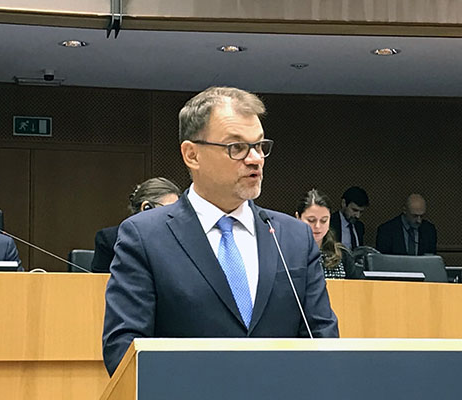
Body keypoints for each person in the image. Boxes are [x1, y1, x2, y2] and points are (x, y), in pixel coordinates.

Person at [101, 86, 339, 375]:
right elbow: (124, 349)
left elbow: (322, 337)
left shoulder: (293, 237)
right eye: (236, 147)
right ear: (192, 155)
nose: (255, 159)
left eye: (260, 145)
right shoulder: (145, 237)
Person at [91, 177, 181, 273]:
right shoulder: (109, 239)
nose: (174, 215)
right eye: (169, 210)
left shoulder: (179, 239)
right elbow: (99, 283)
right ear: (146, 208)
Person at [295, 189, 361, 279]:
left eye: (324, 220)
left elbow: (357, 289)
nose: (318, 226)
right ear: (298, 218)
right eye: (311, 220)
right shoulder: (285, 253)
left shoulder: (342, 254)